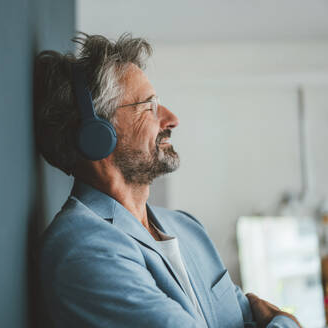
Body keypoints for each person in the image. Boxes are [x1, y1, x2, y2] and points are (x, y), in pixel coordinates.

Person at [33, 33, 301, 328]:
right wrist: (286, 323)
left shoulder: (188, 228)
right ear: (97, 133)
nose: (172, 119)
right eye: (149, 106)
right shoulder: (82, 247)